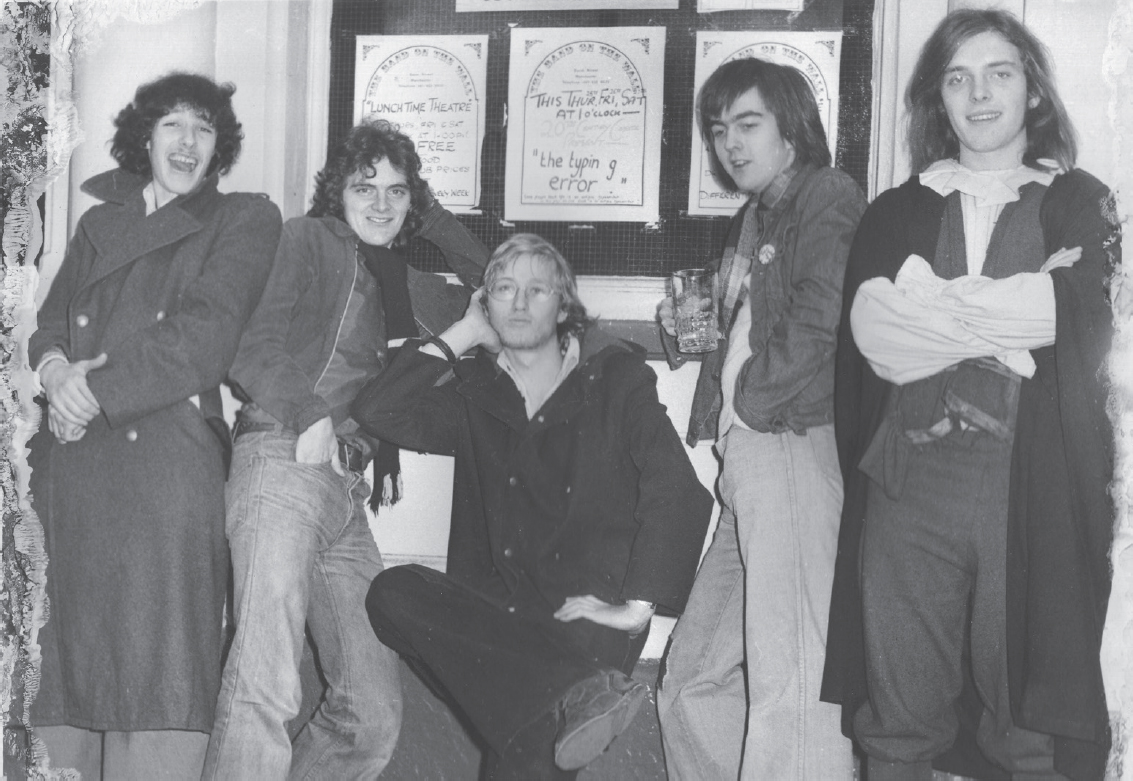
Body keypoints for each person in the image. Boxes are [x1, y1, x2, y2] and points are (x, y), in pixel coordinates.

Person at [821, 9, 1120, 780]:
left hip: (1029, 480)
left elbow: (1069, 317)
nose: (978, 94)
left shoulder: (1081, 202)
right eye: (957, 78)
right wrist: (1010, 322)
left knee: (1029, 720)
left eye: (999, 73)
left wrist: (929, 300)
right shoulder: (897, 209)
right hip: (906, 480)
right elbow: (876, 337)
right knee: (896, 717)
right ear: (937, 99)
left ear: (1033, 93)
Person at [354, 233, 713, 780]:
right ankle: (577, 693)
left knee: (522, 763)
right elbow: (380, 410)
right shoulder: (478, 395)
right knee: (391, 593)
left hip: (586, 614)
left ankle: (575, 691)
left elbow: (679, 487)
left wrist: (636, 608)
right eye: (503, 290)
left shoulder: (615, 380)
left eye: (536, 291)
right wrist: (462, 334)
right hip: (505, 621)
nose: (519, 305)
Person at [201, 119, 489, 779]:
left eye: (397, 191)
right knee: (265, 683)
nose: (382, 203)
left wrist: (433, 215)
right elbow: (251, 346)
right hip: (284, 458)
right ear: (338, 190)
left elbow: (498, 286)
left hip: (346, 492)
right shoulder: (307, 239)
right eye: (367, 187)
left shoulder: (409, 287)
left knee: (371, 711)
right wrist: (310, 416)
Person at [27, 73, 282, 778]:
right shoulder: (98, 223)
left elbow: (203, 338)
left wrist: (90, 393)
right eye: (172, 124)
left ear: (218, 146)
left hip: (164, 469)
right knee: (62, 681)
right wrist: (52, 372)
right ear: (146, 136)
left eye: (203, 128)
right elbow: (49, 322)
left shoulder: (244, 218)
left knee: (158, 676)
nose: (187, 141)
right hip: (69, 471)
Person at [654, 58, 866, 780]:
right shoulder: (755, 216)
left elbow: (819, 316)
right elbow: (750, 328)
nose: (729, 146)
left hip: (789, 443)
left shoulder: (826, 194)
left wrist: (747, 401)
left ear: (791, 126)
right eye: (718, 132)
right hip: (745, 461)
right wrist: (692, 336)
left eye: (747, 125)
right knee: (687, 684)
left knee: (793, 678)